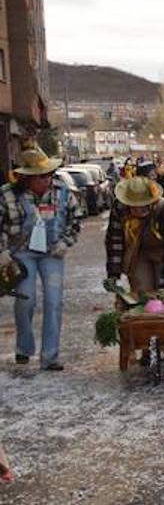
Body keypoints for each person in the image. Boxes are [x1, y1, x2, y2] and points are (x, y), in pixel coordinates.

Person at [0, 148, 81, 370]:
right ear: (27, 178)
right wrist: (2, 251)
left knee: (54, 302)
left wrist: (66, 242)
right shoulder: (7, 195)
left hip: (52, 252)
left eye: (49, 175)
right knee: (25, 300)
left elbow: (76, 219)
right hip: (21, 253)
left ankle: (50, 356)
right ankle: (24, 347)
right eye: (42, 176)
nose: (47, 179)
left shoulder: (62, 192)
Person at [105, 176, 164, 300]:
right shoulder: (119, 208)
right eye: (134, 206)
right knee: (141, 294)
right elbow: (115, 240)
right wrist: (113, 274)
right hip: (138, 250)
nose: (139, 210)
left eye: (143, 205)